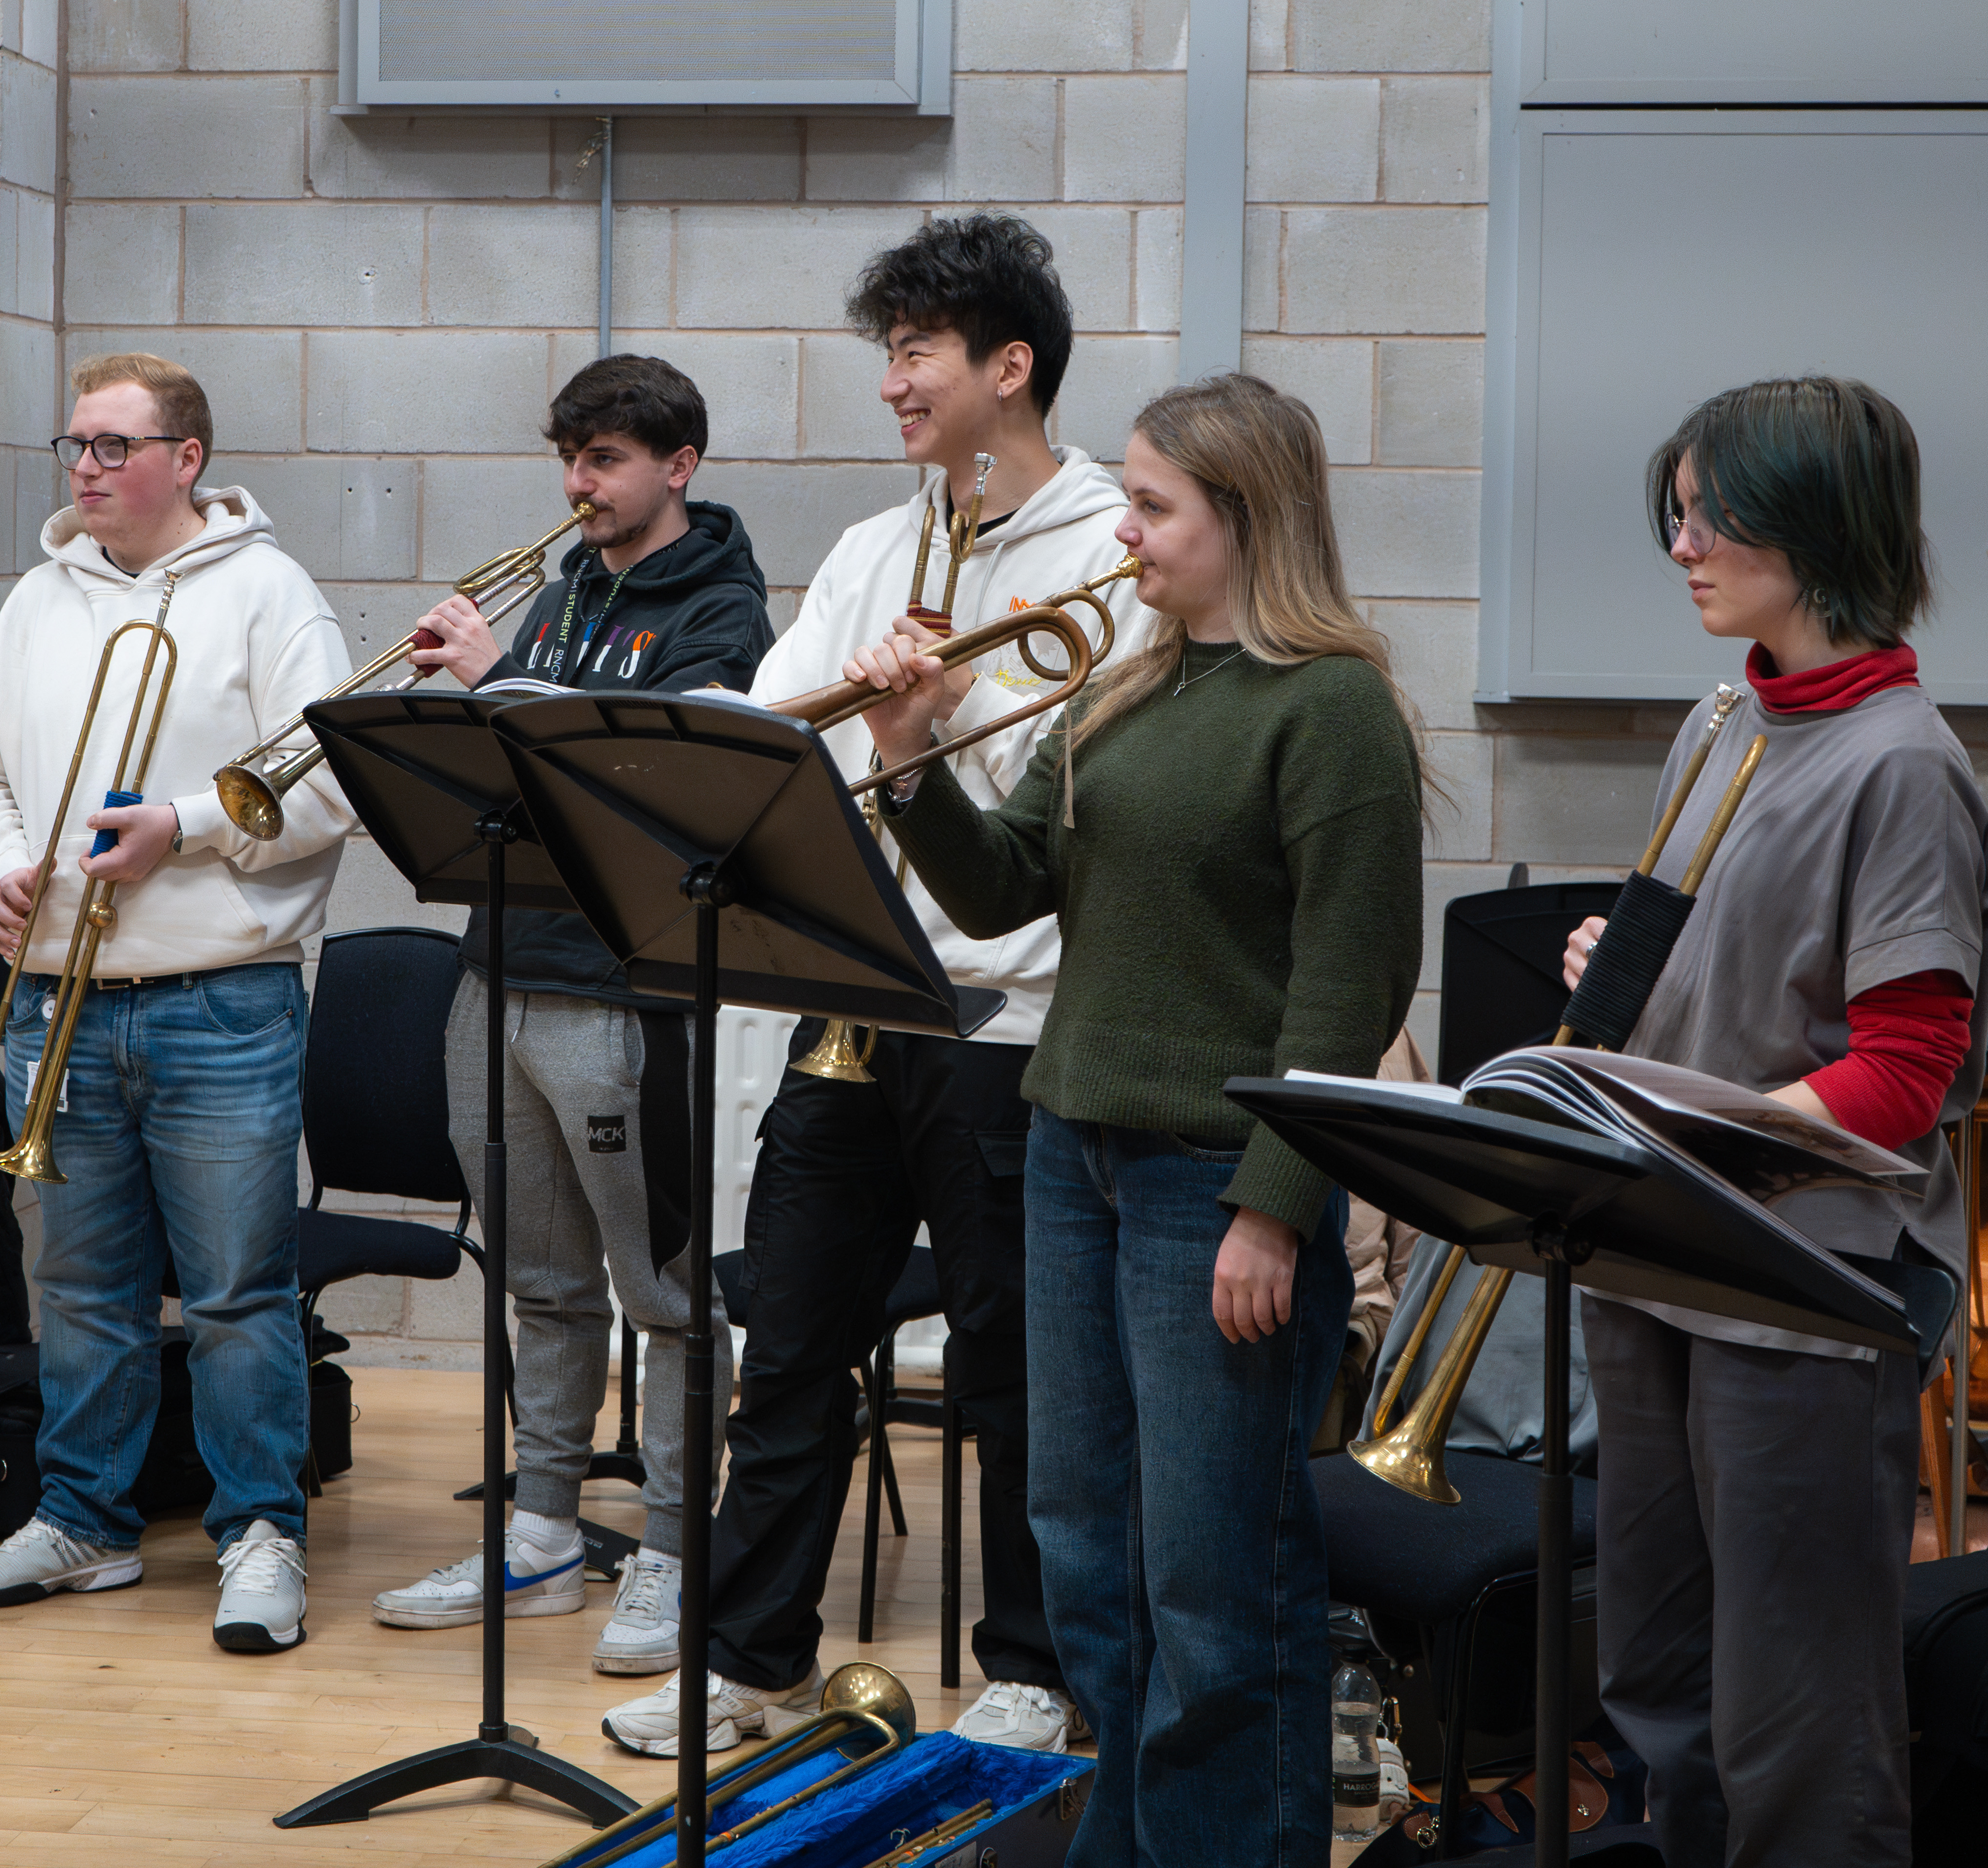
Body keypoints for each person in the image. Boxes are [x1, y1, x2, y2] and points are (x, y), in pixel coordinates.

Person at [847, 373, 1426, 1864]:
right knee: (1088, 1558)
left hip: (1207, 1184)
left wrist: (1270, 1205)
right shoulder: (1125, 681)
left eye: (1153, 504)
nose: (1124, 527)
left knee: (1215, 1582)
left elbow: (1348, 990)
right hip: (1068, 1152)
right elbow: (996, 890)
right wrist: (907, 752)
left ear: (1244, 518)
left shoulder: (1332, 705)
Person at [596, 213, 1151, 1761]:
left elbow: (1089, 796)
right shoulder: (870, 547)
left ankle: (1031, 1663)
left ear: (1008, 365)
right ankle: (752, 1653)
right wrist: (875, 719)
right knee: (786, 1347)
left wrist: (953, 715)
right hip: (847, 994)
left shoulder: (1116, 546)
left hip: (1007, 1010)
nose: (893, 387)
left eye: (914, 355)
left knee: (1011, 1368)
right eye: (890, 357)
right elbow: (769, 752)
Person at [1557, 377, 1988, 1865]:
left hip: (1795, 1287)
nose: (1681, 543)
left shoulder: (1900, 766)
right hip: (1665, 1248)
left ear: (1812, 525)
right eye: (1674, 512)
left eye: (1709, 514)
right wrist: (1626, 973)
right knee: (1660, 1686)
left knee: (1792, 1719)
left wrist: (1687, 1135)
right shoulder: (1723, 717)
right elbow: (1740, 972)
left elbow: (1898, 1076)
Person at [0, 351, 356, 1653]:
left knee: (234, 1290)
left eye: (114, 446)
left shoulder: (269, 593)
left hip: (218, 1000)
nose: (86, 469)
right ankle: (84, 1522)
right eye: (75, 446)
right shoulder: (36, 601)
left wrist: (185, 826)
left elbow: (336, 782)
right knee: (78, 1289)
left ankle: (259, 1533)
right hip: (61, 993)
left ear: (187, 460)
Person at [370, 354, 774, 1674]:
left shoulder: (723, 613)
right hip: (498, 970)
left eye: (602, 460)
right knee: (539, 1285)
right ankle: (542, 1528)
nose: (576, 486)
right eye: (570, 458)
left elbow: (641, 786)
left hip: (623, 993)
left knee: (661, 1293)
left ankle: (669, 1547)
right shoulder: (556, 594)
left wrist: (498, 684)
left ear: (678, 465)